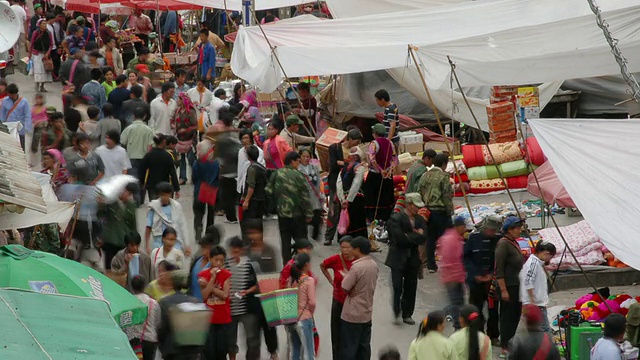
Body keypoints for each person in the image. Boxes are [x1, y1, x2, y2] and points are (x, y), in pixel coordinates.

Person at [386, 193, 427, 325]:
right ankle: (396, 310)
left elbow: (423, 237)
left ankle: (407, 314)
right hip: (397, 258)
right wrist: (414, 236)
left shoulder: (420, 219)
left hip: (412, 259)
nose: (418, 209)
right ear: (409, 205)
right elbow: (398, 238)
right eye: (416, 206)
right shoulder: (396, 218)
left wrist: (408, 236)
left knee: (411, 287)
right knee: (397, 286)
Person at [266, 151, 313, 265]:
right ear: (292, 162)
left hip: (282, 214)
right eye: (298, 161)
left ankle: (286, 264)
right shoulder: (299, 176)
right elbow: (305, 196)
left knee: (285, 240)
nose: (299, 163)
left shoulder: (276, 173)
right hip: (298, 214)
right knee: (301, 240)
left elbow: (268, 190)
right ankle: (301, 264)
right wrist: (309, 214)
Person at [464, 215, 503, 343]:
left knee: (493, 310)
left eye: (494, 230)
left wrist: (492, 274)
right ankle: (478, 334)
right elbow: (465, 258)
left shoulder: (499, 239)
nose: (491, 232)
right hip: (476, 281)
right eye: (490, 230)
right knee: (476, 309)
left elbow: (500, 261)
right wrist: (475, 274)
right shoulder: (473, 238)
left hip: (492, 282)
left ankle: (493, 335)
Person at [340, 236, 378, 360]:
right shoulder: (373, 264)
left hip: (353, 313)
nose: (349, 250)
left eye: (351, 248)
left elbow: (345, 287)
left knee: (349, 347)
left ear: (357, 249)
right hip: (366, 311)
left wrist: (346, 276)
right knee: (364, 346)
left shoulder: (356, 267)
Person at [224, 237, 260, 360]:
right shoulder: (225, 265)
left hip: (246, 309)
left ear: (241, 249)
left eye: (237, 248)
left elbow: (257, 284)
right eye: (233, 248)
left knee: (252, 338)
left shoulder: (249, 265)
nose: (235, 251)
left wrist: (247, 291)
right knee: (230, 340)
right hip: (230, 309)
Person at [325, 128, 362, 245]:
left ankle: (343, 235)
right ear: (349, 139)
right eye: (356, 141)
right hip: (336, 182)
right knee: (334, 210)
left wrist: (343, 163)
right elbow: (333, 164)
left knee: (347, 209)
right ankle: (329, 235)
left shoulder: (356, 150)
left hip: (349, 184)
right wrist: (348, 164)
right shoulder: (334, 148)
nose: (357, 144)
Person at [320, 236, 355, 360]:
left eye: (347, 247)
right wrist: (332, 281)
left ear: (353, 248)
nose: (345, 250)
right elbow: (322, 265)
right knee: (336, 333)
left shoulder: (357, 261)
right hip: (338, 300)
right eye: (342, 247)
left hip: (352, 302)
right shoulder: (336, 259)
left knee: (349, 335)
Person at [495, 216, 525, 357]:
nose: (520, 230)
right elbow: (499, 269)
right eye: (517, 228)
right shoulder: (503, 244)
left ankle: (510, 342)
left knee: (515, 315)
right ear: (509, 230)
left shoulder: (513, 243)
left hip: (517, 286)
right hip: (508, 287)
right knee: (507, 317)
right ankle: (505, 346)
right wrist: (503, 290)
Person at [419, 153, 454, 273]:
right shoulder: (444, 176)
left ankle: (431, 265)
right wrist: (450, 211)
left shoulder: (425, 175)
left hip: (427, 211)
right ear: (444, 164)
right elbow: (446, 196)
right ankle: (448, 263)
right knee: (446, 237)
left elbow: (419, 191)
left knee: (430, 238)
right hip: (440, 210)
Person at [158, 271, 202, 360]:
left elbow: (162, 328)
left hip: (171, 349)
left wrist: (162, 346)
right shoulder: (196, 302)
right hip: (191, 350)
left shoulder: (164, 302)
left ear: (172, 284)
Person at [199, 245, 233, 360]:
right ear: (210, 259)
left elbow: (224, 295)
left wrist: (211, 287)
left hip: (223, 318)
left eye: (222, 261)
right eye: (216, 260)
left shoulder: (226, 274)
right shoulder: (203, 275)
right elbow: (204, 296)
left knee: (222, 351)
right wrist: (212, 278)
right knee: (209, 352)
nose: (219, 263)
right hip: (209, 319)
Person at [98, 182, 138, 269]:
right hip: (110, 239)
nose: (125, 194)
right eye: (124, 191)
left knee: (122, 266)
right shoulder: (111, 202)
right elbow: (100, 215)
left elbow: (133, 223)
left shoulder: (131, 205)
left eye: (129, 193)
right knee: (109, 266)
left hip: (123, 240)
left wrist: (134, 240)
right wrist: (101, 204)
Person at [520, 241, 557, 333]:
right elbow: (528, 281)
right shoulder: (533, 263)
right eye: (550, 256)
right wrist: (532, 301)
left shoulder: (538, 263)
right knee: (544, 330)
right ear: (546, 253)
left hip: (538, 303)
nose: (549, 259)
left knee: (536, 329)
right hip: (535, 304)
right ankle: (546, 346)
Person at [365, 123, 397, 227]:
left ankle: (372, 218)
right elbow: (395, 159)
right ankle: (384, 218)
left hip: (375, 175)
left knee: (372, 196)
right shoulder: (390, 143)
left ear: (375, 134)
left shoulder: (374, 144)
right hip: (388, 176)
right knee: (386, 196)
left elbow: (372, 159)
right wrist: (389, 170)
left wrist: (380, 170)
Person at [439, 216, 468, 330]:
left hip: (456, 276)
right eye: (463, 226)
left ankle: (456, 320)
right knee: (456, 302)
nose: (465, 229)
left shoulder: (455, 238)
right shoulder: (450, 239)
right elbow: (450, 259)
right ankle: (457, 324)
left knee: (459, 301)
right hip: (452, 277)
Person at [213, 111, 242, 224]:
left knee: (227, 196)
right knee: (234, 194)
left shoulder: (221, 138)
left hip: (226, 171)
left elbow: (217, 155)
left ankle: (231, 217)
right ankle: (234, 216)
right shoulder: (234, 135)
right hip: (236, 169)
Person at [286, 253, 316, 360]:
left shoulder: (291, 280)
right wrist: (310, 313)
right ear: (307, 264)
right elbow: (312, 302)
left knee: (295, 351)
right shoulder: (309, 281)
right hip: (304, 318)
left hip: (292, 319)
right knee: (308, 352)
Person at [145, 182, 190, 253]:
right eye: (162, 195)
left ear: (170, 194)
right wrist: (147, 245)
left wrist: (186, 244)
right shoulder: (153, 207)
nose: (164, 197)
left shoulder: (176, 207)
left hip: (174, 243)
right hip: (159, 242)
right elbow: (148, 227)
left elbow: (182, 225)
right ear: (159, 195)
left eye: (166, 194)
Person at [336, 146, 368, 238]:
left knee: (346, 221)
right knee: (356, 222)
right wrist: (349, 199)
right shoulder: (359, 167)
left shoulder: (343, 169)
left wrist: (342, 199)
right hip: (356, 200)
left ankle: (345, 240)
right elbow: (356, 184)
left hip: (344, 199)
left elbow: (339, 184)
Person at [192, 140, 219, 242]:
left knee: (198, 213)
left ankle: (198, 231)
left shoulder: (197, 162)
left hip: (199, 190)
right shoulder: (215, 162)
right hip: (212, 190)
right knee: (211, 213)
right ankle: (209, 232)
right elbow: (218, 176)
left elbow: (194, 177)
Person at [139, 136, 180, 202]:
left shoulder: (149, 155)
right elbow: (172, 172)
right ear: (163, 142)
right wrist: (176, 188)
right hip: (165, 185)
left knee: (154, 205)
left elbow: (142, 170)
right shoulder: (167, 155)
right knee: (165, 207)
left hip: (152, 185)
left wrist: (142, 183)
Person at [130, 275, 161, 360]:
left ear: (132, 286)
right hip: (150, 340)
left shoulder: (129, 302)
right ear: (145, 286)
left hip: (133, 340)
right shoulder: (153, 303)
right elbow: (157, 322)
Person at [121, 106, 154, 183]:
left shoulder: (128, 128)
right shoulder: (149, 130)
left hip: (131, 157)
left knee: (133, 180)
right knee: (142, 180)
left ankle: (136, 194)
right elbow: (151, 145)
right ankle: (141, 194)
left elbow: (122, 141)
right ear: (145, 116)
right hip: (144, 158)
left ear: (133, 116)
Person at [297, 147, 323, 241]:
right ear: (299, 157)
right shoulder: (297, 169)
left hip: (314, 196)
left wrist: (320, 194)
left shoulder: (314, 168)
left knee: (316, 219)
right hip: (302, 198)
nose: (306, 158)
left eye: (308, 156)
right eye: (304, 156)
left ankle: (315, 236)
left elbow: (319, 181)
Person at [237, 128, 265, 210]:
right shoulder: (241, 152)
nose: (244, 141)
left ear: (251, 139)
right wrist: (239, 186)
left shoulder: (259, 152)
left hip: (254, 185)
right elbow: (240, 170)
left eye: (246, 138)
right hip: (243, 185)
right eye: (242, 138)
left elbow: (258, 167)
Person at [241, 144, 268, 227]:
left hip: (254, 201)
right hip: (261, 199)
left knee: (251, 223)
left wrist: (246, 200)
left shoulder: (252, 169)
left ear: (248, 157)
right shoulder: (262, 168)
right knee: (258, 223)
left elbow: (251, 187)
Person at [174, 93, 198, 184]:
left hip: (190, 139)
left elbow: (196, 126)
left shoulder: (190, 112)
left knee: (191, 159)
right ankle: (182, 177)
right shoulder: (177, 111)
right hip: (180, 139)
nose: (177, 101)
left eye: (179, 99)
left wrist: (186, 130)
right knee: (181, 159)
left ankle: (195, 176)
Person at [0, 83, 31, 149]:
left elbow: (27, 115)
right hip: (9, 127)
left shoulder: (24, 102)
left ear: (16, 93)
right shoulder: (5, 101)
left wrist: (27, 128)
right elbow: (2, 114)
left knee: (21, 146)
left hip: (20, 128)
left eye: (12, 94)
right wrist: (2, 125)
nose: (11, 96)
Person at [29, 19, 53, 93]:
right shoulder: (35, 33)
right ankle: (36, 85)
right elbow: (32, 43)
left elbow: (51, 44)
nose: (44, 26)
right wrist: (29, 53)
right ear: (39, 25)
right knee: (38, 70)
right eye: (43, 24)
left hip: (45, 54)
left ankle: (42, 86)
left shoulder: (49, 33)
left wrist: (47, 53)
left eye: (45, 24)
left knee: (45, 70)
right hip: (37, 54)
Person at [10, 0, 27, 66]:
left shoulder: (10, 8)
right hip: (21, 30)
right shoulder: (21, 9)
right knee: (22, 46)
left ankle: (15, 61)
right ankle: (22, 61)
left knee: (14, 46)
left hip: (13, 30)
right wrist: (26, 32)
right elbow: (25, 20)